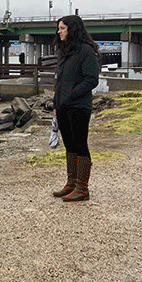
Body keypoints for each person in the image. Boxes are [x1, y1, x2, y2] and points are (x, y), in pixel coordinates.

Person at [52, 15, 100, 202]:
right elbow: (60, 81)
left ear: (72, 29)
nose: (59, 31)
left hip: (79, 106)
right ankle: (71, 183)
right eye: (59, 28)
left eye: (62, 28)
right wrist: (56, 104)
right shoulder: (65, 51)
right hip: (63, 106)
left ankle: (82, 188)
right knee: (69, 145)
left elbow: (91, 79)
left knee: (80, 144)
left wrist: (71, 95)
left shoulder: (85, 51)